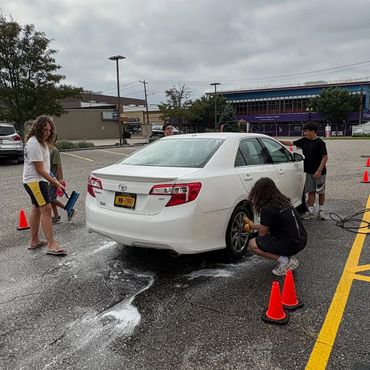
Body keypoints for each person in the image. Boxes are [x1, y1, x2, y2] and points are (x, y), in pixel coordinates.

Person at [22, 115, 66, 256]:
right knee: (46, 210)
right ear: (37, 128)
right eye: (44, 129)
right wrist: (57, 183)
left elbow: (45, 169)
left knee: (36, 209)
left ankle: (34, 241)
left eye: (49, 129)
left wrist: (56, 181)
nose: (47, 132)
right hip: (35, 181)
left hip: (38, 180)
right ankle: (51, 244)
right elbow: (39, 169)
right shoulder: (34, 143)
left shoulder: (42, 143)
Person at [246, 177, 307, 276]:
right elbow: (267, 226)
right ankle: (286, 256)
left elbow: (262, 234)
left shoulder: (268, 209)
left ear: (260, 193)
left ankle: (285, 261)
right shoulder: (283, 201)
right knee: (268, 236)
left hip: (292, 244)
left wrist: (253, 227)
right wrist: (253, 226)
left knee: (253, 244)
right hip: (301, 239)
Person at [279, 122, 328, 220]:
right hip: (309, 171)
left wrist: (319, 170)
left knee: (321, 192)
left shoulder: (320, 143)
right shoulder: (304, 140)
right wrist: (277, 141)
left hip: (320, 172)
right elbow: (291, 143)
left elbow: (325, 157)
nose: (304, 133)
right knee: (311, 191)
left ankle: (321, 211)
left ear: (313, 131)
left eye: (306, 131)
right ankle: (310, 212)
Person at [49, 136, 76, 223]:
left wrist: (60, 180)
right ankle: (56, 216)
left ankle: (69, 209)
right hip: (48, 178)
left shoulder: (54, 150)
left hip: (54, 179)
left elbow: (58, 166)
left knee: (51, 198)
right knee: (52, 198)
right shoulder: (47, 149)